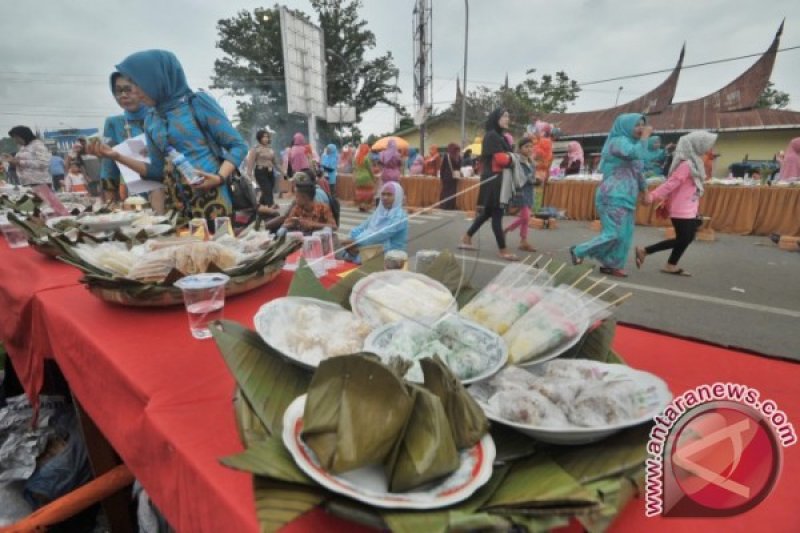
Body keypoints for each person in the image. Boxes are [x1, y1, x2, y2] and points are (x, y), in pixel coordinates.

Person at [90, 50, 248, 224]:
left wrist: (219, 178)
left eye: (137, 82)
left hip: (213, 205)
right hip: (176, 210)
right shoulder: (151, 118)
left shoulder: (196, 103)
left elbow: (238, 146)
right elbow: (157, 171)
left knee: (217, 250)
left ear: (157, 79)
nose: (135, 90)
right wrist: (118, 157)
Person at [569, 113, 652, 277]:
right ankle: (578, 250)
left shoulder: (634, 144)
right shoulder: (618, 141)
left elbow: (638, 171)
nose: (641, 129)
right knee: (613, 233)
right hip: (612, 196)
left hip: (628, 197)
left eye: (643, 125)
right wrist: (645, 138)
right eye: (637, 125)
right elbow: (633, 154)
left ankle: (612, 264)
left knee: (625, 235)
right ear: (625, 126)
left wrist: (645, 191)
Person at [635, 131, 718, 276]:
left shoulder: (695, 163)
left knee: (687, 237)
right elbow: (670, 184)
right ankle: (646, 251)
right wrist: (652, 196)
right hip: (681, 208)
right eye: (706, 145)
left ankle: (670, 264)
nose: (708, 148)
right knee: (684, 238)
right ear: (696, 145)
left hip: (690, 207)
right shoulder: (686, 165)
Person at [459, 108, 519, 261]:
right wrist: (514, 159)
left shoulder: (501, 137)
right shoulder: (492, 136)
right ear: (496, 118)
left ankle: (467, 237)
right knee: (497, 214)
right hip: (494, 180)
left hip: (499, 179)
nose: (508, 119)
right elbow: (501, 160)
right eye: (504, 116)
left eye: (508, 116)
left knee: (487, 213)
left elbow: (507, 157)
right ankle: (503, 249)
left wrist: (511, 158)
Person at [99, 72, 152, 204]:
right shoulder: (114, 124)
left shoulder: (161, 118)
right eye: (118, 91)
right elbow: (108, 168)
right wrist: (109, 205)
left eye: (128, 89)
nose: (123, 95)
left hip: (172, 194)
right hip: (137, 201)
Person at [340, 181, 408, 263]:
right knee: (348, 250)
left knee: (354, 254)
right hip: (370, 246)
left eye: (389, 195)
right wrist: (351, 237)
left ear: (397, 196)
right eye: (383, 194)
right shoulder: (379, 212)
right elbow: (362, 227)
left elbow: (383, 234)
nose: (385, 197)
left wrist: (356, 242)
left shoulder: (400, 216)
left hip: (390, 253)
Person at [504, 137, 536, 252]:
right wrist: (532, 179)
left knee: (525, 218)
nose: (529, 149)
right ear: (520, 148)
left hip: (529, 191)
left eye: (531, 146)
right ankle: (510, 232)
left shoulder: (532, 162)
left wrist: (537, 180)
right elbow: (518, 177)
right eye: (526, 147)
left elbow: (532, 177)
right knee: (526, 216)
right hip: (520, 191)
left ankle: (522, 240)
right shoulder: (517, 161)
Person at [246, 130, 279, 208]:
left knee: (268, 191)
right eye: (264, 137)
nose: (266, 138)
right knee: (267, 189)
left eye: (267, 137)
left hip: (270, 172)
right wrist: (249, 174)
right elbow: (250, 163)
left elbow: (276, 163)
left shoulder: (270, 149)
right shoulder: (255, 149)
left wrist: (284, 172)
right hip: (260, 172)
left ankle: (259, 209)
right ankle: (271, 205)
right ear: (259, 138)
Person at [353, 143, 376, 212]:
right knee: (368, 192)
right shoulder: (366, 158)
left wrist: (354, 178)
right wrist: (373, 178)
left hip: (358, 177)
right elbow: (370, 169)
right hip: (366, 177)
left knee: (360, 192)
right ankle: (365, 206)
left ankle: (360, 205)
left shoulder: (355, 159)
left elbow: (354, 170)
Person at [439, 142, 461, 210]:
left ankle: (444, 205)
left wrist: (441, 177)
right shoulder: (458, 157)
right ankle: (451, 206)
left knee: (445, 192)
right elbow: (459, 167)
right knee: (452, 192)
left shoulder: (447, 156)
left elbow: (442, 167)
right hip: (454, 177)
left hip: (446, 177)